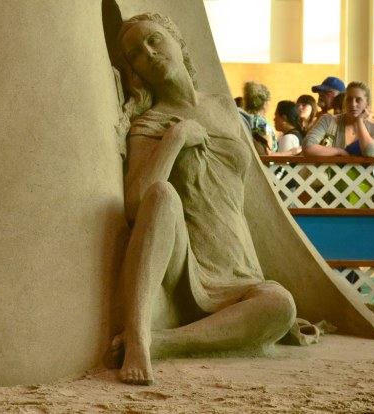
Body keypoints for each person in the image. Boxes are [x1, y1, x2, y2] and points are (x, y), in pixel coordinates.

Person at [114, 12, 296, 385]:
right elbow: (136, 205)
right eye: (136, 53)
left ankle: (161, 343)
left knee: (281, 305)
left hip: (237, 265)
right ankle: (138, 332)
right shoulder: (150, 124)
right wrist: (176, 139)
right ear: (136, 71)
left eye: (154, 40)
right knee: (162, 194)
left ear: (178, 43)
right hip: (189, 266)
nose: (148, 53)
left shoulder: (224, 107)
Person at [303, 81, 374, 157]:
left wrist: (359, 121)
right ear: (344, 101)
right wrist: (338, 151)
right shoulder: (328, 120)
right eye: (349, 99)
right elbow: (307, 147)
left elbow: (370, 152)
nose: (353, 104)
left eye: (358, 100)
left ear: (367, 103)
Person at [243, 81, 277, 155]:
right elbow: (267, 151)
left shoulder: (244, 118)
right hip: (264, 165)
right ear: (265, 103)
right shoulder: (261, 123)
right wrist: (289, 152)